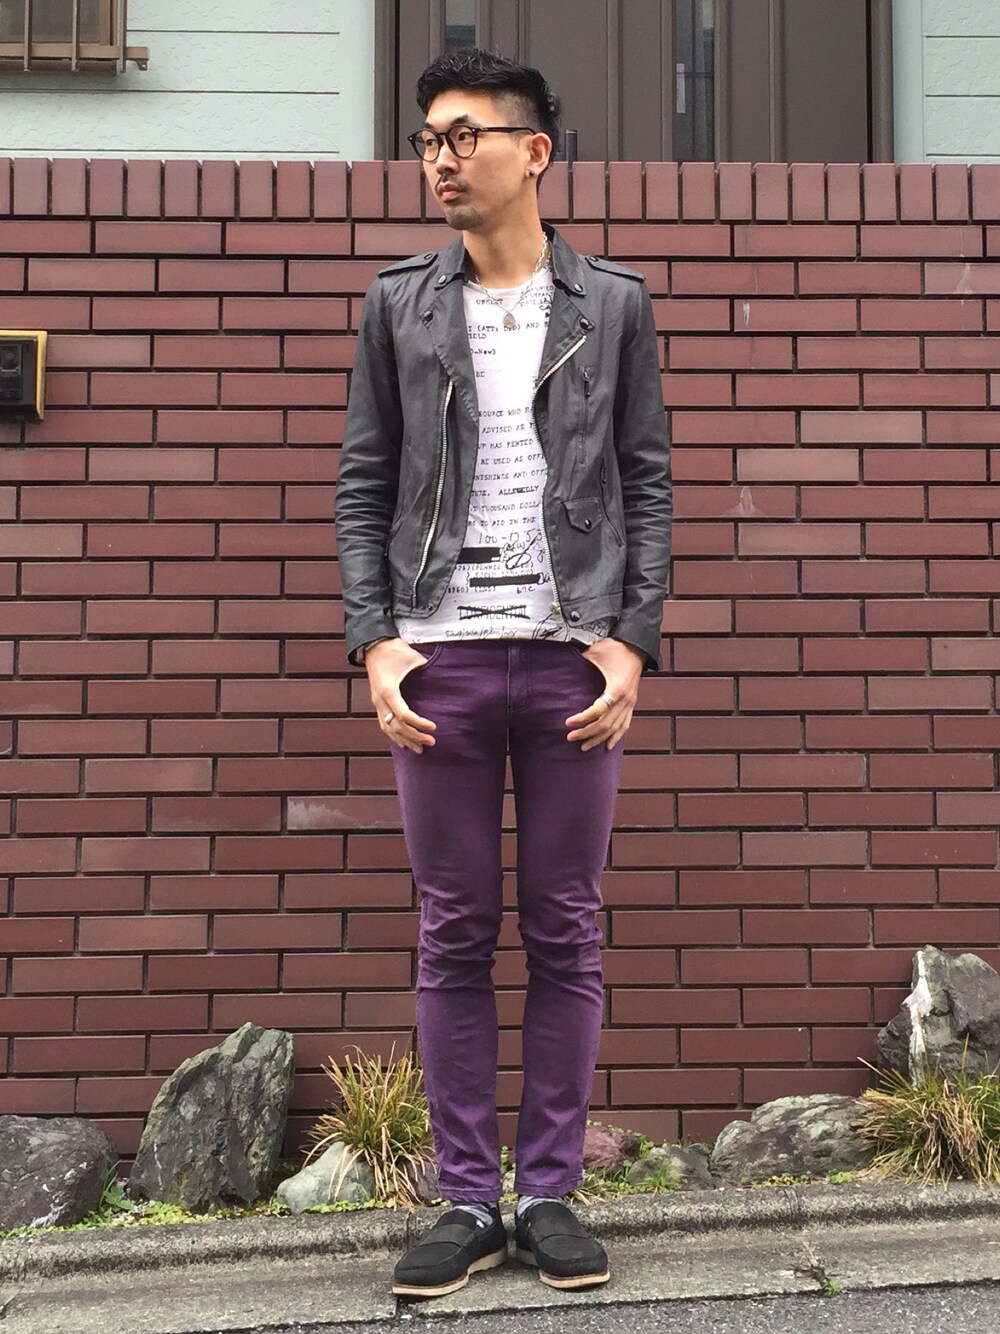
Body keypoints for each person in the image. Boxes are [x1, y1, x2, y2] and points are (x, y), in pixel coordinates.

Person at [334, 47, 671, 1299]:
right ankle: (468, 1198)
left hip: (574, 658)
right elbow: (364, 479)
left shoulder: (613, 305)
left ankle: (552, 1190)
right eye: (428, 138)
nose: (440, 157)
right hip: (442, 662)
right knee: (454, 928)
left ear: (533, 151)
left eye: (463, 134)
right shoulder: (399, 304)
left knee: (566, 925)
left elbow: (646, 478)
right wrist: (375, 638)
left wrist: (630, 636)